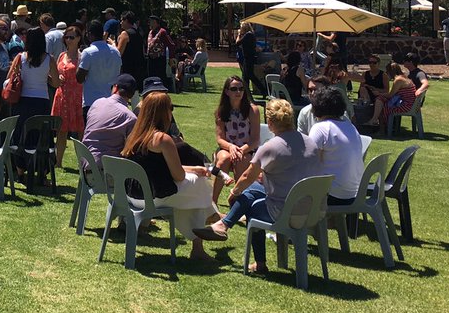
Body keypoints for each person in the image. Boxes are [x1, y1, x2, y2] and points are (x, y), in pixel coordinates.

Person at [199, 98, 324, 273]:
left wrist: (234, 192)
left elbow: (246, 176)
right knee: (253, 192)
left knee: (250, 206)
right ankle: (223, 225)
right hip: (314, 209)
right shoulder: (311, 143)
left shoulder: (271, 147)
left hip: (287, 212)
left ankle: (259, 262)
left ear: (270, 122)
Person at [121, 90, 217, 262]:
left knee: (190, 197)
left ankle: (200, 241)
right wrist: (195, 172)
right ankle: (211, 216)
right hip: (152, 197)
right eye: (170, 108)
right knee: (201, 183)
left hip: (131, 195)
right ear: (164, 112)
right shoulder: (162, 139)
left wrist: (193, 169)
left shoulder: (134, 135)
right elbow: (178, 176)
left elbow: (162, 168)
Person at [307, 86, 363, 206]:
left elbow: (308, 162)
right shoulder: (350, 126)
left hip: (332, 195)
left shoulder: (321, 128)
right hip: (354, 193)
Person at [10, 27, 61, 154]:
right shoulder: (50, 59)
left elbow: (9, 77)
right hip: (41, 101)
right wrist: (45, 78)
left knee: (21, 134)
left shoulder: (20, 57)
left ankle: (20, 167)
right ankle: (42, 166)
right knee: (41, 135)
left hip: (23, 100)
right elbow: (56, 83)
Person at [212, 75, 263, 204]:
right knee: (223, 159)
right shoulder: (221, 111)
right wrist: (231, 147)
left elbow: (255, 139)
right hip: (227, 147)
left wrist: (241, 150)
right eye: (234, 89)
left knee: (241, 160)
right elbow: (219, 138)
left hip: (247, 148)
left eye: (241, 89)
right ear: (227, 91)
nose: (238, 92)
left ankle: (237, 200)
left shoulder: (252, 110)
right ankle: (212, 202)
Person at [82, 74, 139, 169]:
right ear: (132, 95)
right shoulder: (130, 118)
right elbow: (131, 150)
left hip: (85, 162)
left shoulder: (97, 103)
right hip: (108, 170)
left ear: (115, 88)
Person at [51, 24, 84, 167]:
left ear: (78, 38)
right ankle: (58, 162)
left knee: (80, 132)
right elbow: (55, 73)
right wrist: (57, 76)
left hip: (76, 96)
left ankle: (83, 161)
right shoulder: (61, 55)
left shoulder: (82, 56)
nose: (68, 40)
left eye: (72, 37)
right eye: (66, 37)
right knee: (61, 131)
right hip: (61, 96)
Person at [77, 20, 123, 120]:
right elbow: (120, 73)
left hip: (92, 101)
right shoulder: (115, 52)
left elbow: (79, 78)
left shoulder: (88, 52)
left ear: (89, 35)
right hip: (111, 100)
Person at [370, 62, 417, 132]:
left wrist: (379, 93)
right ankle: (377, 121)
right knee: (381, 100)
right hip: (410, 103)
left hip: (406, 105)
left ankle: (381, 128)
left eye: (387, 71)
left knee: (382, 104)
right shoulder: (404, 77)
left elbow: (390, 95)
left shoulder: (398, 80)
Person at [116, 12, 146, 83]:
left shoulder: (125, 34)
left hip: (127, 68)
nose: (121, 23)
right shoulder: (138, 33)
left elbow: (118, 53)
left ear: (126, 20)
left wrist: (113, 44)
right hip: (138, 69)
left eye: (122, 20)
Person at [145, 15, 173, 86]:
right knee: (151, 77)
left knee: (160, 77)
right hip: (150, 59)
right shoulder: (150, 32)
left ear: (155, 22)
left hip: (159, 59)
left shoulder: (162, 32)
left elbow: (171, 45)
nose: (149, 24)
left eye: (150, 22)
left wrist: (171, 58)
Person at [237, 22, 261, 95]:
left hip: (249, 57)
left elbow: (238, 43)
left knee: (250, 75)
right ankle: (245, 91)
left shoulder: (248, 35)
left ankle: (263, 90)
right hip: (247, 57)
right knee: (245, 76)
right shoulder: (249, 35)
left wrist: (239, 35)